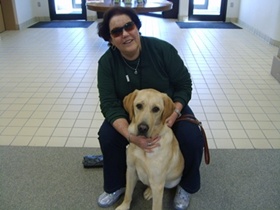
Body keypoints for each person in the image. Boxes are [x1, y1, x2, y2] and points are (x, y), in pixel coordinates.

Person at [96, 6, 204, 210]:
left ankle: (186, 186)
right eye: (116, 32)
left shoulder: (162, 50)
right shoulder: (107, 63)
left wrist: (174, 113)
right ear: (110, 39)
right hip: (130, 112)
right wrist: (130, 136)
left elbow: (184, 84)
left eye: (129, 26)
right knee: (108, 136)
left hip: (169, 109)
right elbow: (109, 104)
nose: (125, 34)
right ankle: (115, 186)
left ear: (137, 27)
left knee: (192, 136)